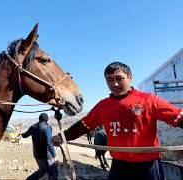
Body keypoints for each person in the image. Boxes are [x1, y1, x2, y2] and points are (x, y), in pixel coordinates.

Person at [52, 62, 183, 180]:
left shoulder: (149, 100)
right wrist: (62, 136)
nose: (114, 84)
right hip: (119, 167)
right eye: (109, 80)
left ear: (130, 77)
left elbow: (178, 118)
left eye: (119, 79)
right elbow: (83, 126)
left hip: (148, 167)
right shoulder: (103, 106)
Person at [21, 113, 59, 180]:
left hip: (37, 155)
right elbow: (49, 144)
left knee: (42, 171)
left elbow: (25, 135)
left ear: (40, 119)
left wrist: (20, 133)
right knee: (53, 174)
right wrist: (55, 157)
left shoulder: (33, 127)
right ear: (46, 119)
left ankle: (29, 179)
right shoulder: (47, 128)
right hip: (47, 156)